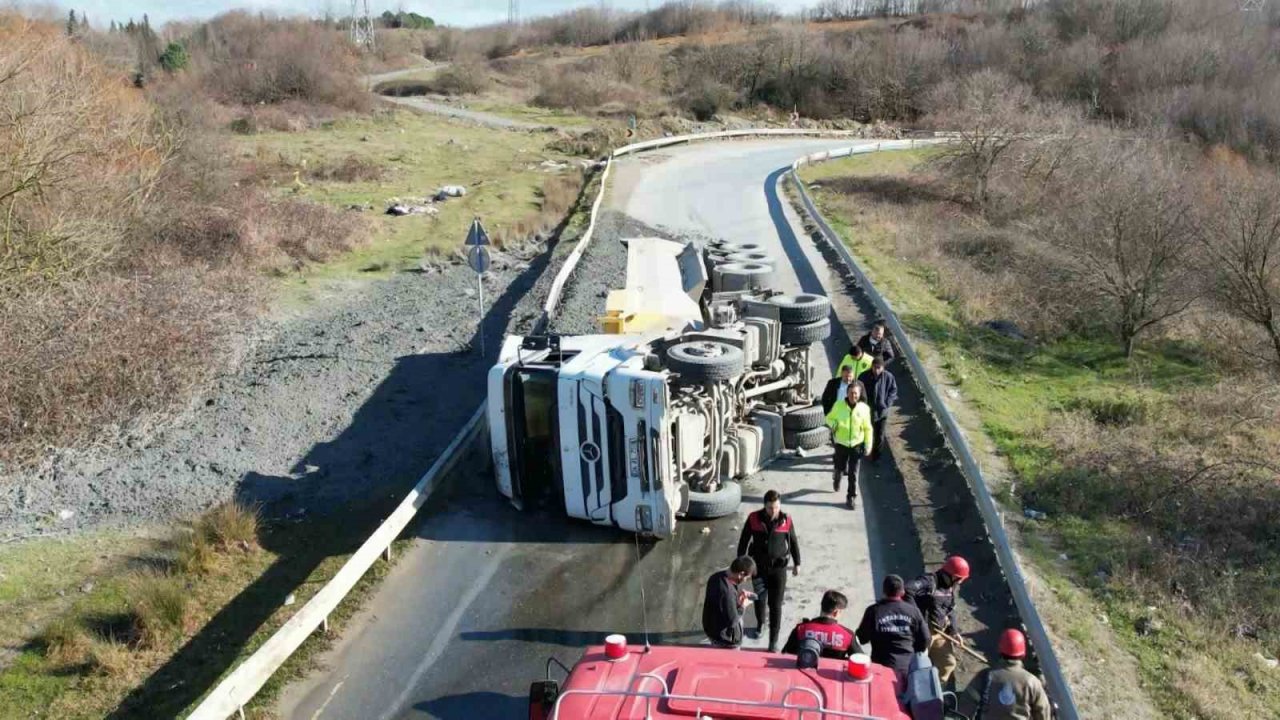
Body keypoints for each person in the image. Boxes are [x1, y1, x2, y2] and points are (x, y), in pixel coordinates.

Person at [737, 490, 801, 652]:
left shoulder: (786, 520)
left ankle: (773, 640)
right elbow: (744, 541)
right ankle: (760, 624)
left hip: (779, 569)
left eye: (777, 507)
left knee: (776, 605)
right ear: (764, 506)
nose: (774, 511)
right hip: (758, 568)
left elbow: (793, 542)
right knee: (759, 599)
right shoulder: (753, 518)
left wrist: (797, 563)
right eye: (770, 508)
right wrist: (741, 565)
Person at [855, 574, 930, 687]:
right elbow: (926, 638)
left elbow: (862, 638)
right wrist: (915, 652)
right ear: (903, 592)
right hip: (908, 668)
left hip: (881, 668)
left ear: (884, 591)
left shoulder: (873, 611)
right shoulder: (913, 611)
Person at [905, 555, 970, 686]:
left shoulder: (950, 587)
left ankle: (934, 689)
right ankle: (911, 689)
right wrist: (917, 616)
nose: (960, 583)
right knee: (918, 664)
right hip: (923, 633)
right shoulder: (929, 581)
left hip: (940, 633)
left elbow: (950, 610)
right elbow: (907, 589)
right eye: (960, 580)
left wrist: (954, 632)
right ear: (954, 576)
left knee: (948, 663)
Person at [962, 629, 1052, 720]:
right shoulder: (1032, 682)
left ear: (1000, 649)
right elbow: (1043, 712)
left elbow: (965, 708)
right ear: (1023, 652)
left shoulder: (985, 676)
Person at [825, 381, 873, 509]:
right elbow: (828, 418)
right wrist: (834, 424)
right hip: (841, 443)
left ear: (859, 394)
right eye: (851, 393)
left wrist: (868, 445)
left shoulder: (864, 409)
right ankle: (837, 476)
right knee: (840, 467)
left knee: (853, 473)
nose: (853, 396)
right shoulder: (838, 405)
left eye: (856, 393)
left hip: (857, 444)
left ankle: (851, 497)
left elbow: (868, 428)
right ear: (847, 393)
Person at [782, 590, 857, 659]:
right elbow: (860, 660)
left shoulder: (801, 629)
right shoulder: (848, 635)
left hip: (803, 668)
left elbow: (785, 655)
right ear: (836, 612)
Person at [702, 556, 757, 648]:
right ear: (741, 574)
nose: (746, 581)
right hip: (725, 639)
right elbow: (733, 621)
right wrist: (743, 606)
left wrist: (737, 595)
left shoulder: (716, 577)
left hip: (712, 629)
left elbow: (721, 601)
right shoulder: (727, 592)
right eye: (747, 578)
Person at [856, 357, 898, 463]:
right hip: (867, 412)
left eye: (879, 368)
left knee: (880, 435)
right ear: (871, 366)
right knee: (865, 432)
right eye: (875, 367)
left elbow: (893, 391)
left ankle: (876, 457)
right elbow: (857, 390)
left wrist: (887, 403)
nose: (877, 370)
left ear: (883, 367)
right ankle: (863, 451)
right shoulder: (863, 376)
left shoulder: (888, 377)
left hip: (881, 412)